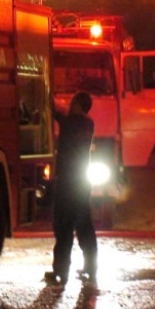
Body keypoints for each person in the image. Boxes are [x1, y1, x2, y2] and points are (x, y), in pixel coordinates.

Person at [46, 91, 98, 286]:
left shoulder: (70, 121)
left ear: (77, 104)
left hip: (68, 182)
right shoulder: (88, 124)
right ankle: (90, 269)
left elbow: (54, 110)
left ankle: (60, 272)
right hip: (82, 182)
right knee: (85, 226)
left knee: (63, 227)